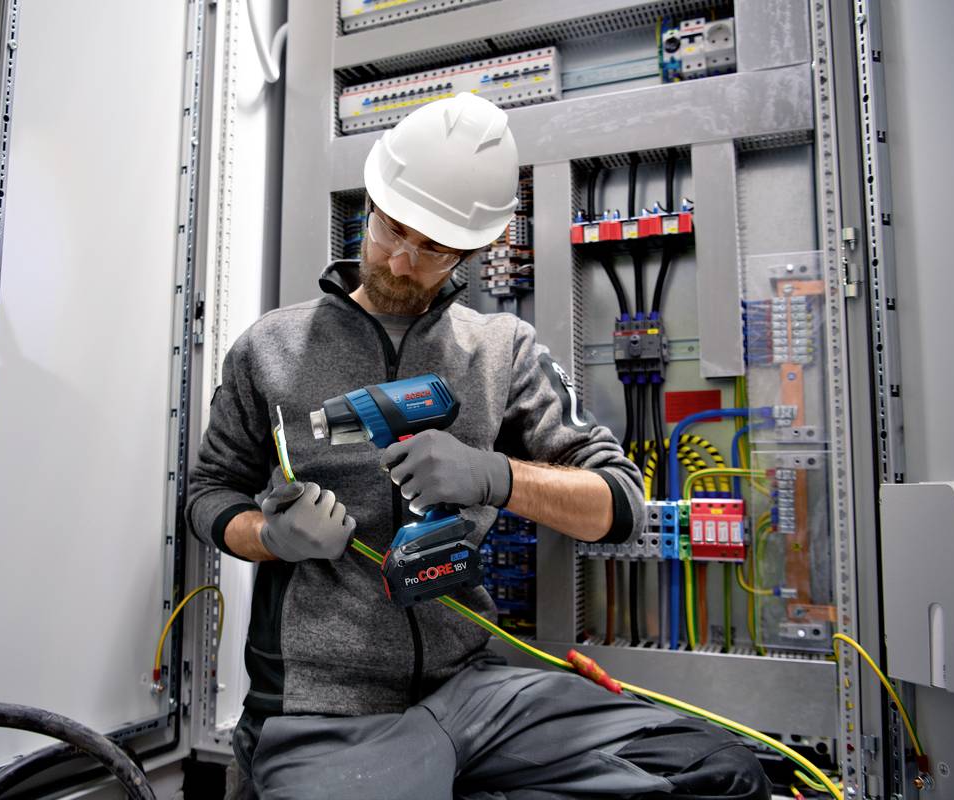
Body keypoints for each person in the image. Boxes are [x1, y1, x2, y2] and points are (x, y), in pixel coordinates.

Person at [186, 93, 770, 799]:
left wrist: (495, 475)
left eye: (431, 247)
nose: (400, 261)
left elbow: (620, 503)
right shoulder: (270, 350)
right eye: (390, 229)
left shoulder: (501, 351)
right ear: (369, 204)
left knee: (720, 771)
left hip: (474, 688)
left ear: (473, 249)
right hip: (327, 711)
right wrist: (275, 537)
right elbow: (206, 495)